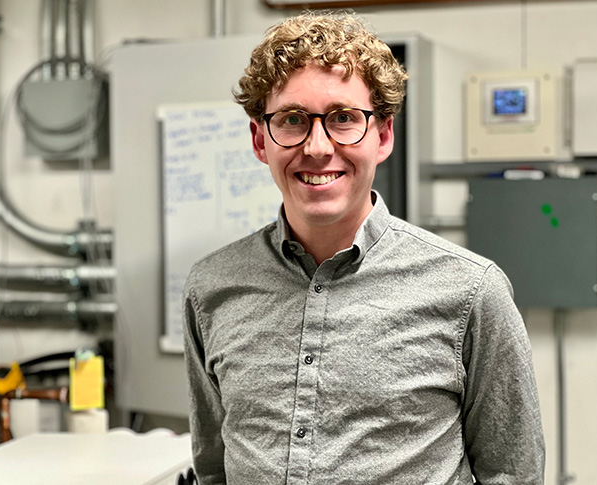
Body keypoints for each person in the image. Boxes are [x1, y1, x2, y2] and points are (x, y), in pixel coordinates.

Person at [183, 11, 545, 484]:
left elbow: (513, 475)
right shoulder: (211, 288)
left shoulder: (470, 292)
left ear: (383, 135)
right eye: (292, 120)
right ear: (259, 138)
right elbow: (214, 469)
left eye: (343, 118)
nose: (317, 146)